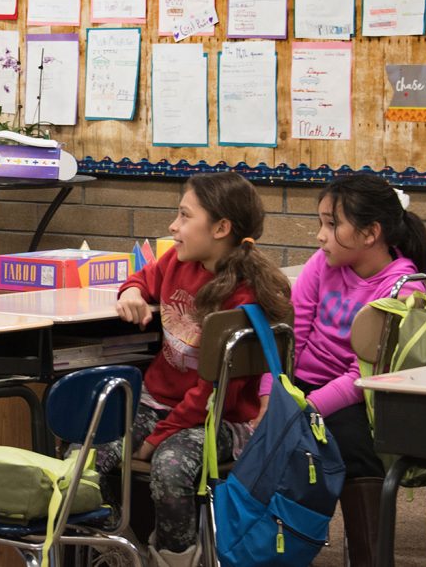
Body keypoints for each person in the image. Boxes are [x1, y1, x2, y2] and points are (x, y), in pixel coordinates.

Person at [253, 173, 426, 567]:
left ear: (370, 232)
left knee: (352, 442)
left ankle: (370, 556)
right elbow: (289, 339)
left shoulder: (403, 288)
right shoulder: (321, 265)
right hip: (304, 384)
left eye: (332, 224)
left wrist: (306, 409)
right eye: (321, 222)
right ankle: (257, 547)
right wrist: (270, 393)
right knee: (255, 429)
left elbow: (361, 378)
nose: (320, 235)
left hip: (358, 395)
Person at [103, 172, 292, 567]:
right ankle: (118, 551)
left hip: (217, 420)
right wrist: (133, 291)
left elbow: (210, 395)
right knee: (90, 452)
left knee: (170, 469)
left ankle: (175, 559)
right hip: (156, 404)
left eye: (185, 216)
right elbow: (143, 277)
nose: (174, 226)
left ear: (221, 228)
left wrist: (157, 438)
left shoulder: (243, 295)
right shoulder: (175, 260)